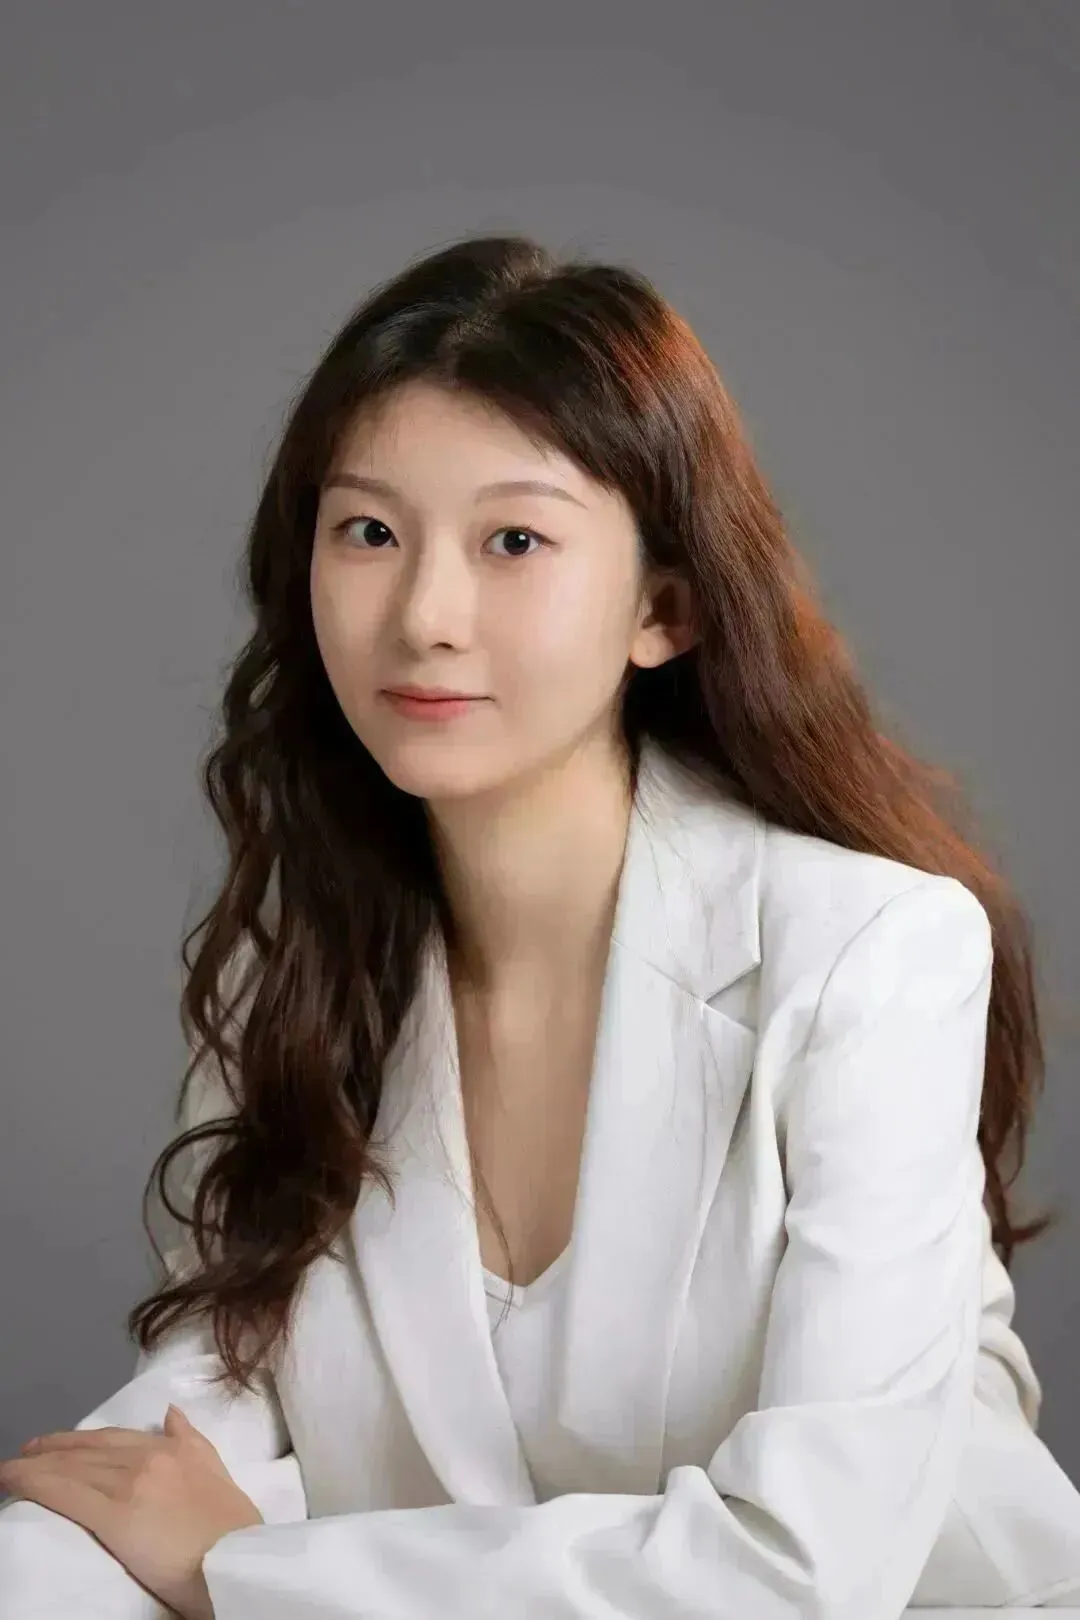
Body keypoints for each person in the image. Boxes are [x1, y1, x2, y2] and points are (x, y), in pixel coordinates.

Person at [1, 233, 1078, 1620]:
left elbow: (805, 1568)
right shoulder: (295, 982)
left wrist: (248, 1575)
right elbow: (158, 1468)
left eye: (514, 541)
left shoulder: (872, 955)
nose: (424, 616)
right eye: (369, 533)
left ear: (662, 609)